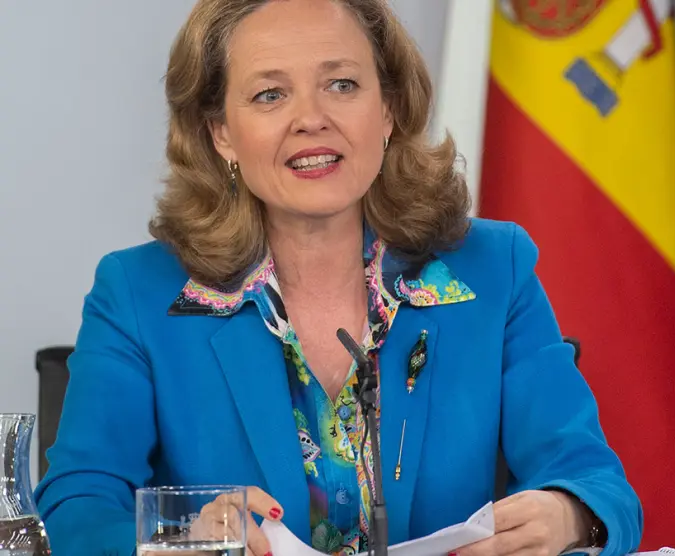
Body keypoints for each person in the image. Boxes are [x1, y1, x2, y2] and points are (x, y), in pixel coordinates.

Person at [34, 0, 644, 555]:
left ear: (388, 109)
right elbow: (73, 511)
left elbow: (592, 480)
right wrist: (181, 536)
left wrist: (569, 515)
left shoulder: (492, 269)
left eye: (342, 84)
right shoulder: (137, 293)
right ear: (221, 133)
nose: (311, 118)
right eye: (270, 95)